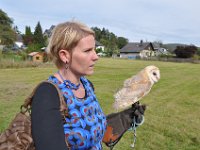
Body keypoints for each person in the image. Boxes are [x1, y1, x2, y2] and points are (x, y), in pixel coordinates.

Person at [31, 21, 146, 150]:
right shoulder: (47, 94)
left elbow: (89, 128)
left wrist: (125, 118)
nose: (96, 56)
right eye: (87, 50)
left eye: (94, 49)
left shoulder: (86, 85)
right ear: (65, 55)